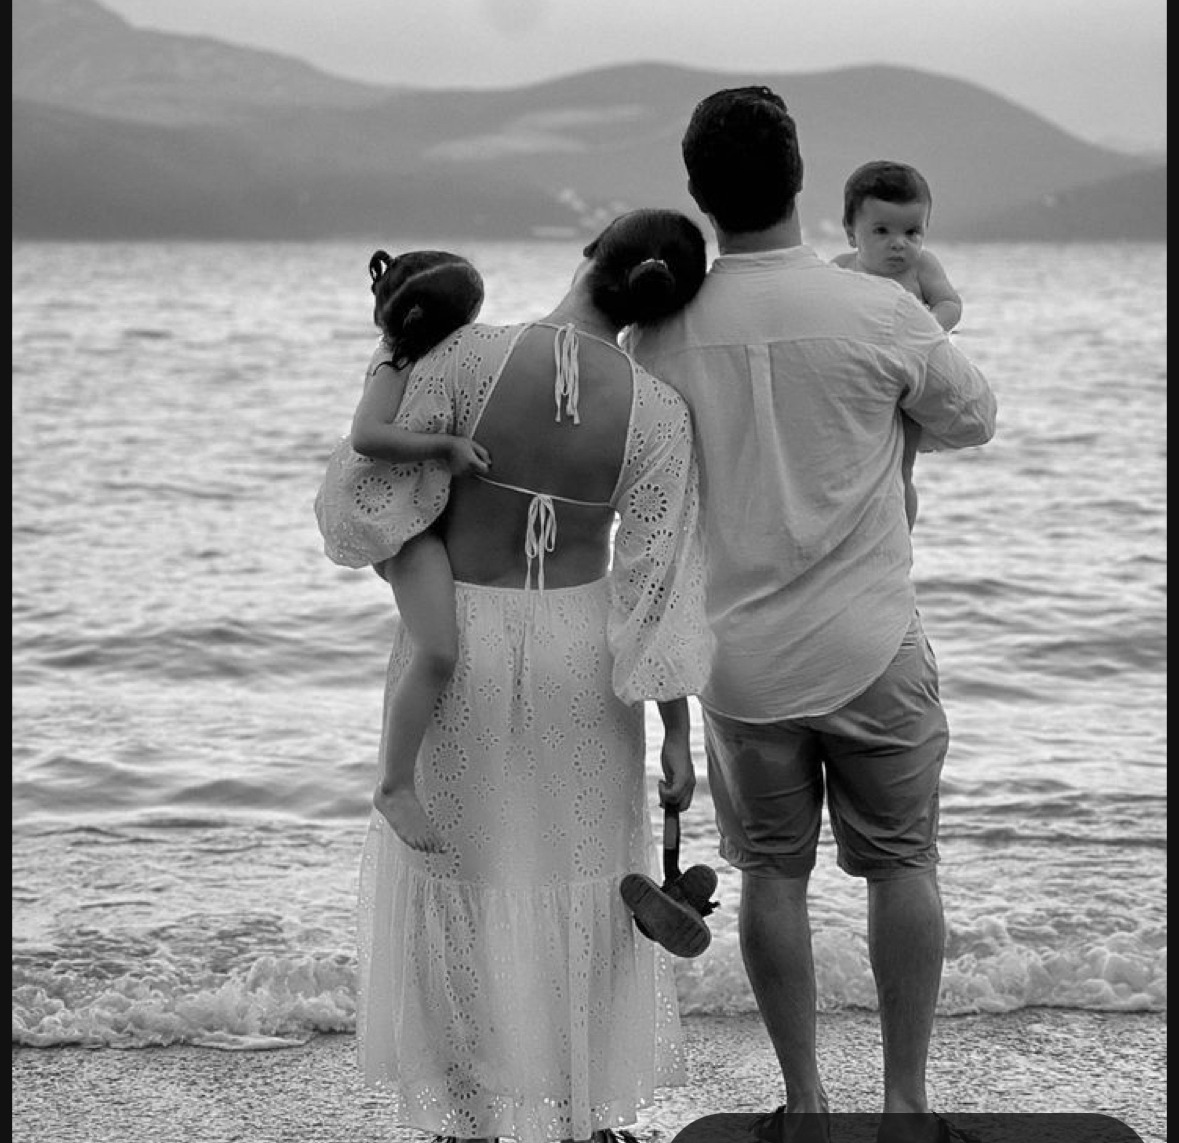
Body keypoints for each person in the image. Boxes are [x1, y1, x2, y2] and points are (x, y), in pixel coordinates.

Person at [628, 88, 997, 1143]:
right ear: (800, 185)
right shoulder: (881, 309)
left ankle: (805, 1103)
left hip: (739, 666)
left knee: (771, 880)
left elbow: (639, 493)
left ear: (702, 196)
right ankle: (905, 1107)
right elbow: (973, 417)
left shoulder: (661, 334)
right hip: (871, 642)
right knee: (904, 866)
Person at [319, 208, 715, 1143]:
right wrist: (675, 734)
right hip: (586, 651)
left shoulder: (461, 357)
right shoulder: (659, 413)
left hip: (459, 635)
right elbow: (655, 590)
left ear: (590, 256)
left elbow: (360, 501)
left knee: (452, 877)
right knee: (584, 879)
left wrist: (407, 554)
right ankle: (581, 1115)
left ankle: (469, 1120)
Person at [316, 249, 491, 854]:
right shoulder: (394, 360)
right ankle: (394, 786)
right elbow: (368, 435)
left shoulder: (424, 353)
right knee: (439, 651)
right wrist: (446, 446)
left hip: (408, 507)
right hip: (387, 516)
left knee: (437, 645)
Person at [832, 161, 964, 529]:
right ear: (850, 232)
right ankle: (854, 524)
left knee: (901, 467)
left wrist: (929, 326)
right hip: (858, 380)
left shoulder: (921, 267)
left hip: (907, 382)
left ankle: (901, 534)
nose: (898, 243)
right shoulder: (840, 270)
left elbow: (951, 303)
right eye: (881, 231)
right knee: (852, 460)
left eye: (912, 232)